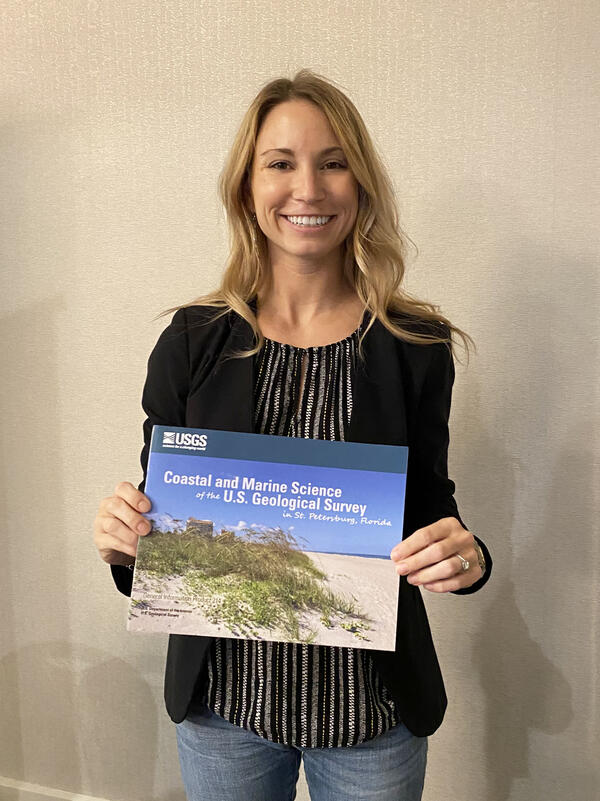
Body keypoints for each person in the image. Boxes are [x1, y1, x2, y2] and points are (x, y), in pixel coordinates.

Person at [93, 69, 492, 801]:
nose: (307, 188)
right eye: (281, 162)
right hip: (225, 712)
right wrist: (127, 542)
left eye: (333, 162)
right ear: (248, 186)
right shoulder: (192, 341)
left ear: (361, 183)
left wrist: (468, 556)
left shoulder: (415, 345)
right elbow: (165, 520)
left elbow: (434, 504)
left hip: (372, 714)